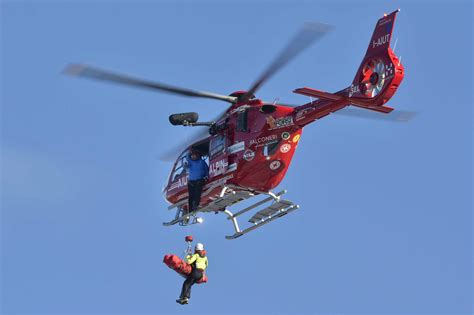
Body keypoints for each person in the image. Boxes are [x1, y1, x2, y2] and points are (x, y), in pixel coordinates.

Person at [184, 150, 209, 215]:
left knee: (197, 192)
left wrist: (206, 176)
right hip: (191, 182)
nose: (193, 157)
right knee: (191, 196)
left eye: (194, 155)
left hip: (200, 180)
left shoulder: (202, 162)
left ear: (198, 156)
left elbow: (206, 169)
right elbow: (186, 160)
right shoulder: (190, 161)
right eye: (192, 156)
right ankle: (190, 210)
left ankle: (196, 205)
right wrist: (190, 151)